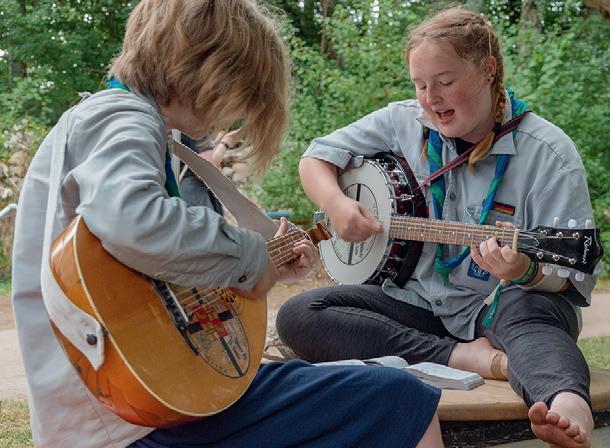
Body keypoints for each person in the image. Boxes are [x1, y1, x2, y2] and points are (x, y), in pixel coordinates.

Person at [11, 1, 444, 447]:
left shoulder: (118, 121)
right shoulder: (123, 118)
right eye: (241, 93)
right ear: (210, 71)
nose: (232, 116)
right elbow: (132, 220)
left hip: (139, 410)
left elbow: (141, 283)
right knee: (402, 399)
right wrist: (249, 257)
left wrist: (260, 267)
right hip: (128, 425)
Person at [276, 6, 597, 448]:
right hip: (420, 305)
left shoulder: (549, 154)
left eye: (445, 81)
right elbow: (314, 158)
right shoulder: (403, 121)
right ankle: (466, 358)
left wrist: (525, 270)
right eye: (420, 84)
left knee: (534, 320)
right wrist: (337, 204)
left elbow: (570, 281)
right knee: (300, 313)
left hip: (502, 306)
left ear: (487, 70)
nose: (431, 98)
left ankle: (567, 406)